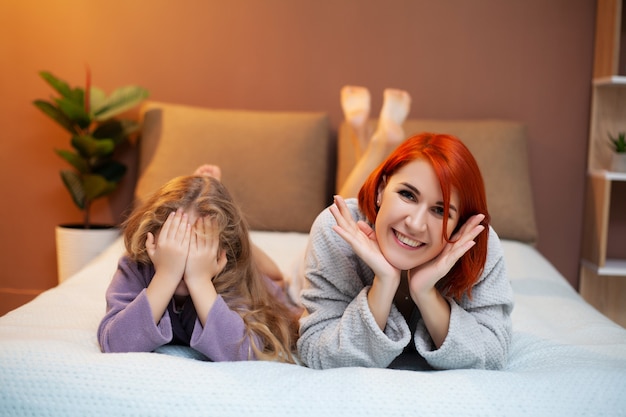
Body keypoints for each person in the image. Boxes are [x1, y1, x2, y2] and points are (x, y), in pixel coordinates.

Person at [296, 87, 514, 370]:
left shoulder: (477, 245)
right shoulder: (335, 230)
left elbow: (492, 354)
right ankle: (369, 140)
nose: (415, 223)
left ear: (460, 223)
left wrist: (427, 294)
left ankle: (366, 138)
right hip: (297, 274)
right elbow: (318, 352)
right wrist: (383, 283)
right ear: (382, 189)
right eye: (407, 195)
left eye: (440, 210)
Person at [97, 174, 300, 363]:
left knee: (276, 278)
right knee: (195, 205)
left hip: (269, 283)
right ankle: (198, 198)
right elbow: (116, 343)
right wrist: (166, 274)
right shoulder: (136, 266)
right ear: (150, 241)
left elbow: (242, 352)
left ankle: (230, 229)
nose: (184, 260)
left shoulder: (229, 274)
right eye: (175, 242)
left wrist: (200, 280)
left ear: (221, 255)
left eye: (198, 246)